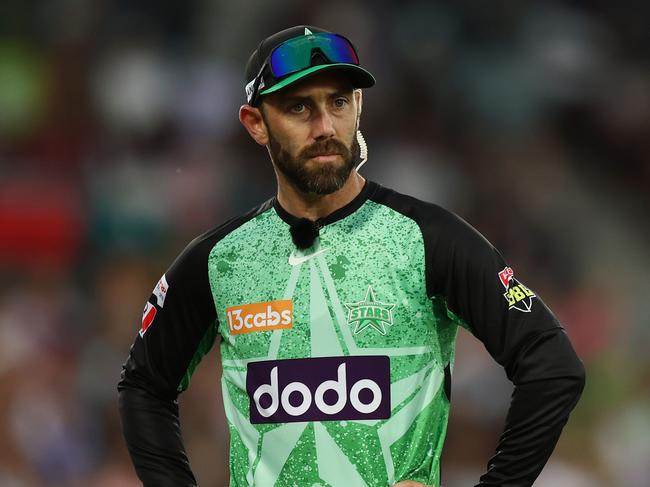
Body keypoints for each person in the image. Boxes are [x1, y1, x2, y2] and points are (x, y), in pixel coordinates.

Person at [118, 25, 586, 487]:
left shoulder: (429, 238)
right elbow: (144, 387)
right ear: (255, 123)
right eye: (299, 107)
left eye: (338, 102)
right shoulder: (220, 259)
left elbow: (552, 364)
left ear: (358, 106)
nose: (324, 127)